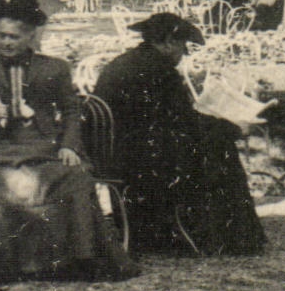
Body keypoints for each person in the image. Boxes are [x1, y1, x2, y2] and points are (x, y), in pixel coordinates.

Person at [0, 0, 135, 281]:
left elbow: (71, 111)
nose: (5, 42)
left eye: (13, 37)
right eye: (1, 35)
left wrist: (69, 146)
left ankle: (81, 258)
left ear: (31, 37)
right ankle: (12, 265)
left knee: (74, 176)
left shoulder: (54, 69)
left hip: (42, 145)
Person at [93, 13, 266, 256]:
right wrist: (234, 128)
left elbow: (167, 120)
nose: (184, 53)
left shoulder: (128, 62)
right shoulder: (159, 70)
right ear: (168, 42)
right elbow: (184, 123)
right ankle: (231, 237)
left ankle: (173, 230)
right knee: (220, 147)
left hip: (115, 155)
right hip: (141, 160)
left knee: (210, 140)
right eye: (183, 45)